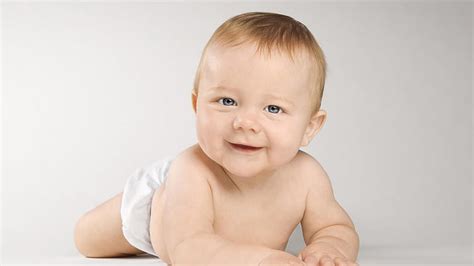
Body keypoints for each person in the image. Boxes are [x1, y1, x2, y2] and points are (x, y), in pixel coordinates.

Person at [74, 11, 359, 266]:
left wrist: (329, 247)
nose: (245, 123)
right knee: (87, 239)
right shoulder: (193, 171)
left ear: (311, 126)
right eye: (227, 101)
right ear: (197, 104)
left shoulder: (307, 176)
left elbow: (334, 227)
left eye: (273, 108)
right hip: (158, 210)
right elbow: (188, 250)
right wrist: (262, 260)